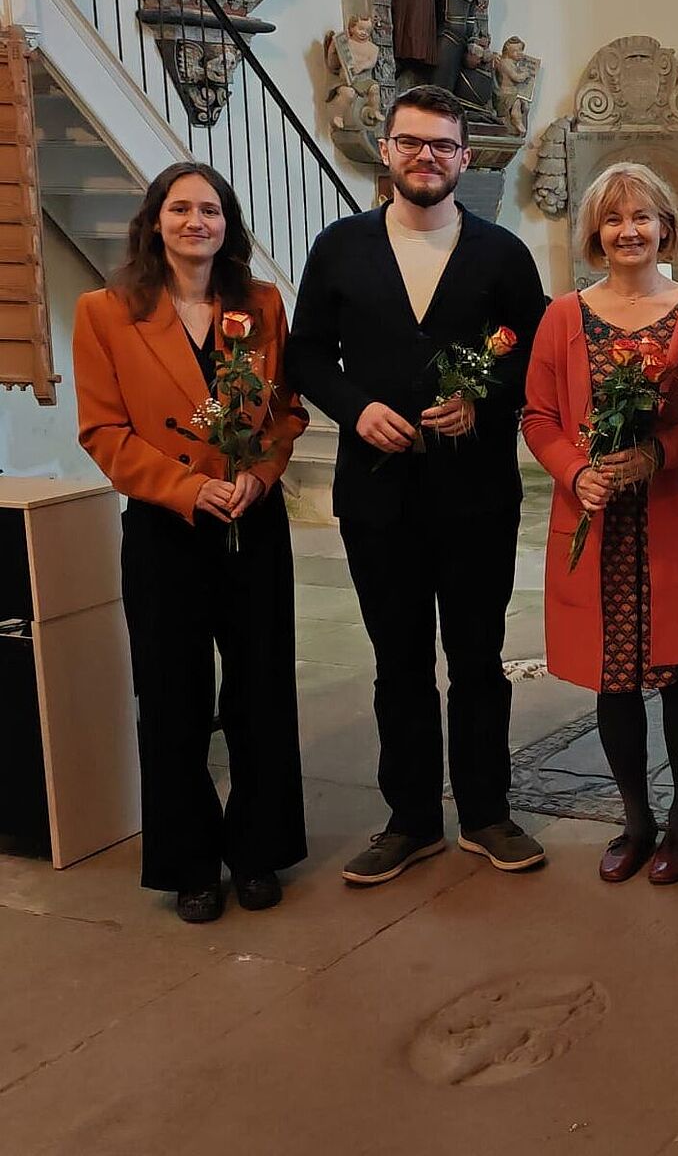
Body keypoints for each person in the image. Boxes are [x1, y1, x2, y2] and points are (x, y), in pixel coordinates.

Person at [287, 84, 550, 886]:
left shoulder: (502, 254)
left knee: (476, 658)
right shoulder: (341, 247)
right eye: (412, 142)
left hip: (475, 496)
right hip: (377, 492)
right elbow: (303, 356)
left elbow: (537, 362)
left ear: (464, 159)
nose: (426, 156)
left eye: (442, 145)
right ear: (387, 150)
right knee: (396, 661)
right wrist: (355, 407)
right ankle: (409, 819)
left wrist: (484, 398)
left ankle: (486, 812)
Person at [73, 162, 309, 923]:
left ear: (227, 225)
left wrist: (263, 474)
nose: (196, 221)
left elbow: (287, 414)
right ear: (155, 221)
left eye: (210, 209)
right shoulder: (105, 312)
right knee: (173, 699)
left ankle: (259, 850)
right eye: (180, 208)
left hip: (251, 521)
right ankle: (191, 861)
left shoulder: (264, 305)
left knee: (261, 689)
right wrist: (184, 487)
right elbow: (103, 430)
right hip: (165, 527)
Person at [522, 164, 678, 887]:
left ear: (667, 225)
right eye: (613, 219)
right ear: (595, 234)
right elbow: (538, 415)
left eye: (643, 216)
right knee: (614, 681)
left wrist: (658, 451)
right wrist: (576, 470)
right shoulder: (563, 316)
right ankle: (634, 820)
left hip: (673, 518)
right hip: (597, 520)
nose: (629, 230)